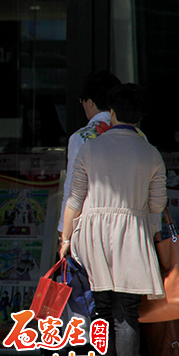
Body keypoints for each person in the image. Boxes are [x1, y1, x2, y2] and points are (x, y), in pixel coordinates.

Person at [61, 84, 167, 356]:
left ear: (114, 113)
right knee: (127, 312)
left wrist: (65, 240)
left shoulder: (90, 149)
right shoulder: (151, 153)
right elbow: (157, 205)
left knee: (101, 309)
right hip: (132, 232)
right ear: (141, 116)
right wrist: (149, 234)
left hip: (92, 233)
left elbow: (74, 200)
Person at [58, 71, 121, 239]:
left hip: (93, 227)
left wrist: (64, 232)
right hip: (131, 226)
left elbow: (72, 189)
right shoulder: (138, 136)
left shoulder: (82, 137)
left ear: (90, 103)